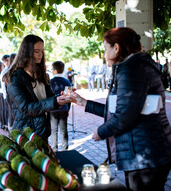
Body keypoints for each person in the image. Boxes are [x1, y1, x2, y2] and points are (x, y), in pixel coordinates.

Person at [70, 27, 171, 191]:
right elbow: (122, 110)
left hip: (143, 155)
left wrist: (100, 132)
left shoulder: (131, 69)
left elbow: (125, 115)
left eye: (105, 49)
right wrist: (84, 103)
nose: (104, 55)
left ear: (116, 47)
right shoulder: (137, 66)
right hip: (150, 153)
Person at [3, 34, 71, 142]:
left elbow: (49, 99)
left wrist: (62, 97)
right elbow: (26, 107)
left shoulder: (42, 75)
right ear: (26, 52)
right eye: (36, 51)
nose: (40, 54)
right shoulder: (14, 78)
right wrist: (55, 101)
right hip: (26, 133)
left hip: (42, 131)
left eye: (42, 51)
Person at [50, 61, 71, 151]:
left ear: (54, 70)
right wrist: (68, 109)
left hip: (52, 109)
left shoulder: (50, 82)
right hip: (64, 109)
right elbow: (69, 97)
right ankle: (65, 149)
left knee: (53, 130)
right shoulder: (67, 82)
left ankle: (54, 150)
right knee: (64, 130)